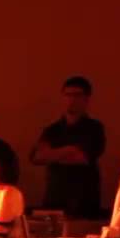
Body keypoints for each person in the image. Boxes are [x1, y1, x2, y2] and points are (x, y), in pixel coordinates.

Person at [30, 76, 106, 218]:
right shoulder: (52, 130)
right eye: (68, 95)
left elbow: (82, 157)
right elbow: (37, 157)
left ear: (86, 99)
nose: (72, 99)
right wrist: (69, 150)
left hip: (84, 198)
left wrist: (52, 154)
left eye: (77, 95)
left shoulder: (94, 128)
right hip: (54, 196)